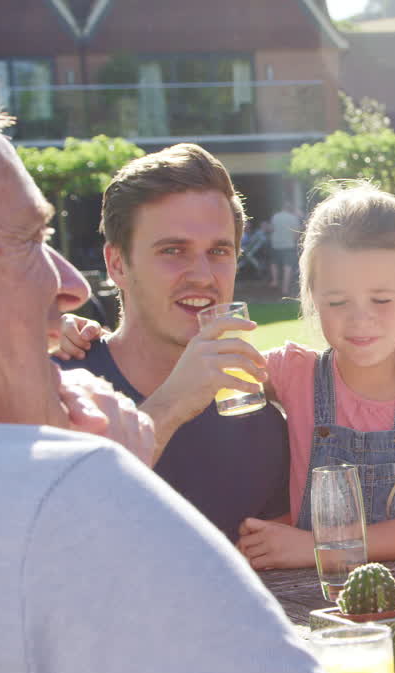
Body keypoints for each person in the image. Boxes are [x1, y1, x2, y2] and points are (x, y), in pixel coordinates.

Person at [0, 59, 387, 673]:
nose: (68, 287)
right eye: (29, 239)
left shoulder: (247, 409)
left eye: (220, 251)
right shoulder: (64, 471)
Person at [236, 183, 395, 569]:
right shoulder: (294, 373)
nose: (360, 319)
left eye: (381, 300)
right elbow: (202, 374)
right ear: (314, 296)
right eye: (337, 302)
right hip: (310, 601)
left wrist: (320, 548)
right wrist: (105, 337)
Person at [53, 144, 291, 544]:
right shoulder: (55, 389)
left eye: (218, 251)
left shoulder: (260, 422)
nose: (201, 275)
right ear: (117, 265)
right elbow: (49, 536)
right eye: (173, 251)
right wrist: (171, 405)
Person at [270, 200, 301, 294]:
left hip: (276, 244)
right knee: (287, 267)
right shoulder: (293, 218)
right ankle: (285, 289)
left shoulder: (275, 217)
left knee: (274, 263)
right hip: (289, 245)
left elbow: (272, 229)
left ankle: (275, 281)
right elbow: (296, 233)